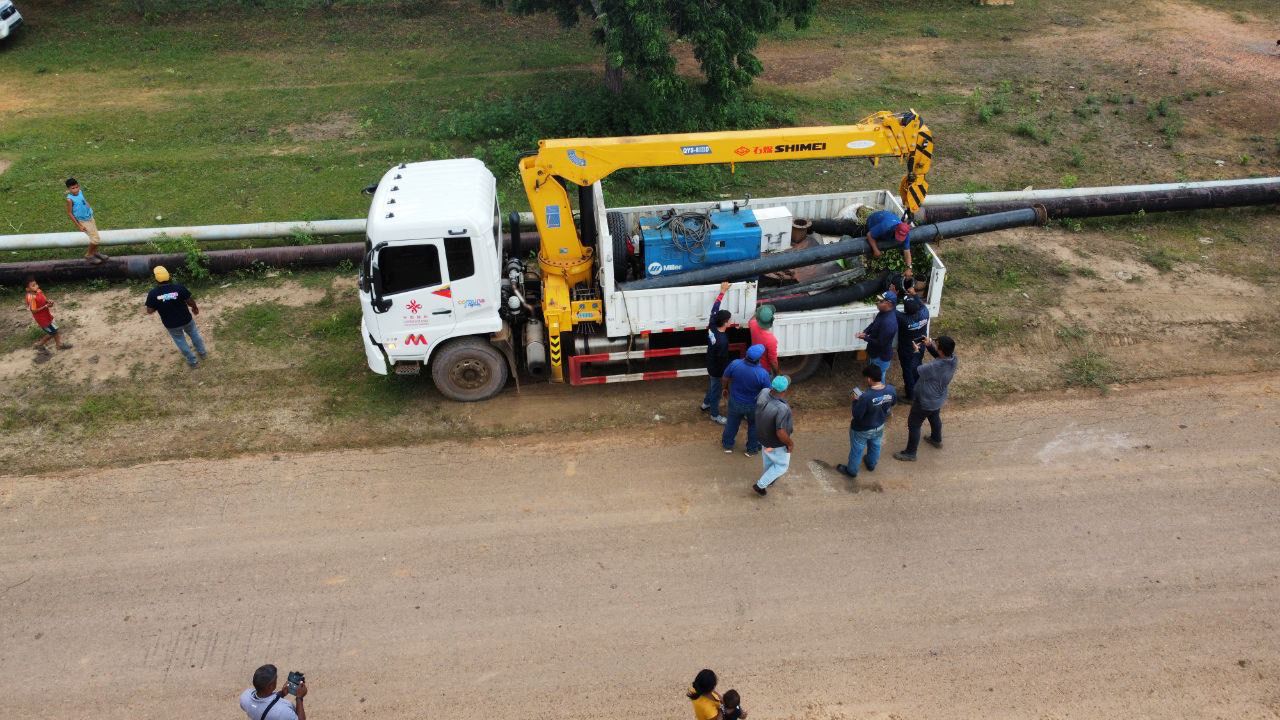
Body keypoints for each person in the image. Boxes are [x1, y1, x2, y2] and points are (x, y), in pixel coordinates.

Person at [894, 335, 958, 462]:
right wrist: (929, 346)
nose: (934, 343)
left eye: (936, 343)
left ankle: (910, 453)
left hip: (925, 400)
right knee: (934, 416)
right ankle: (936, 439)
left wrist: (916, 352)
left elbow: (915, 370)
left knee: (914, 424)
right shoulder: (953, 359)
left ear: (941, 350)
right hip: (938, 397)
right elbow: (940, 356)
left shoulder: (934, 367)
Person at [837, 365, 896, 479]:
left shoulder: (866, 397)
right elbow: (892, 403)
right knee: (875, 446)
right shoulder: (891, 389)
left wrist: (855, 401)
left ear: (869, 379)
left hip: (862, 429)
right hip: (879, 425)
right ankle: (871, 464)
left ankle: (852, 471)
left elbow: (857, 415)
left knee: (857, 450)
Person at [145, 265, 208, 368]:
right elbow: (190, 301)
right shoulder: (179, 288)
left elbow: (149, 310)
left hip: (171, 325)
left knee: (181, 341)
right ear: (169, 276)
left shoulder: (153, 294)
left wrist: (159, 303)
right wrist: (195, 308)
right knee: (194, 335)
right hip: (186, 319)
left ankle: (193, 362)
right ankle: (203, 353)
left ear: (156, 279)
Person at [721, 344, 772, 456]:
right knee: (754, 426)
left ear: (747, 354)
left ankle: (727, 445)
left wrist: (725, 388)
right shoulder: (762, 373)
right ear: (758, 359)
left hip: (735, 402)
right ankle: (752, 449)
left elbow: (725, 377)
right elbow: (768, 391)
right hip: (753, 405)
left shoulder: (735, 364)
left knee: (732, 423)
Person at [753, 374, 794, 496]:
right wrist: (790, 443)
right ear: (785, 390)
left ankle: (768, 480)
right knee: (782, 465)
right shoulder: (782, 408)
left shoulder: (764, 391)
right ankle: (760, 485)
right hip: (776, 443)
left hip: (762, 436)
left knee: (769, 459)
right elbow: (780, 432)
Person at [701, 281, 734, 425]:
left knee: (712, 385)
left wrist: (722, 292)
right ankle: (714, 414)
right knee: (716, 391)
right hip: (717, 369)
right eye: (729, 320)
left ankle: (705, 403)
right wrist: (726, 376)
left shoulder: (712, 324)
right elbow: (722, 361)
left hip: (710, 363)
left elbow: (715, 308)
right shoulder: (722, 341)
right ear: (725, 322)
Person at [24, 277, 72, 357]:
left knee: (55, 330)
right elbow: (34, 311)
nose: (36, 286)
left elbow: (44, 300)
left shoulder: (38, 291)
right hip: (42, 319)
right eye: (33, 285)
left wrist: (49, 302)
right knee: (52, 332)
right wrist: (45, 306)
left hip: (47, 316)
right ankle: (40, 344)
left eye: (36, 284)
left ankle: (58, 345)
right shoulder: (31, 298)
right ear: (28, 289)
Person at [856, 290, 897, 383]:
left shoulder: (889, 323)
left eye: (881, 301)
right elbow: (873, 324)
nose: (877, 302)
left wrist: (865, 338)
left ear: (889, 304)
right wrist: (865, 332)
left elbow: (880, 343)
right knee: (873, 375)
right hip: (875, 353)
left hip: (881, 357)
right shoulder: (882, 312)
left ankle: (879, 394)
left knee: (878, 378)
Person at [239, 664, 307, 720]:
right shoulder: (282, 711)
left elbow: (264, 705)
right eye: (276, 678)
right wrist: (299, 698)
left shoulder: (245, 697)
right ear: (270, 686)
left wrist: (281, 694)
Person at [65, 178, 108, 265]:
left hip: (90, 217)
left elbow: (83, 200)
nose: (76, 190)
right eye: (73, 188)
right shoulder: (70, 199)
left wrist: (88, 207)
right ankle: (89, 255)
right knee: (95, 240)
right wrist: (79, 226)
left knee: (96, 236)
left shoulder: (80, 192)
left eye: (77, 187)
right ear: (69, 189)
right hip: (83, 221)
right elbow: (69, 213)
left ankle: (95, 252)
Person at [895, 296, 930, 402]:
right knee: (917, 368)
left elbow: (891, 308)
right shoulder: (925, 313)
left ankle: (911, 396)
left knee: (908, 371)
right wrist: (914, 295)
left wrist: (893, 294)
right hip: (921, 346)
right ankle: (920, 390)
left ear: (905, 310)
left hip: (907, 349)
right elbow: (922, 304)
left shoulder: (903, 318)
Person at [748, 304, 779, 374]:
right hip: (764, 370)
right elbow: (773, 361)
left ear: (758, 318)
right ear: (772, 320)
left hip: (753, 366)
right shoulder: (771, 340)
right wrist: (777, 374)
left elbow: (751, 319)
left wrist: (759, 310)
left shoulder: (753, 324)